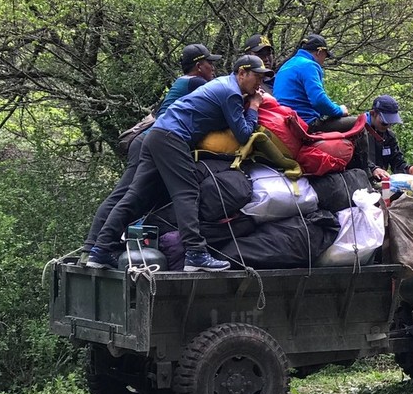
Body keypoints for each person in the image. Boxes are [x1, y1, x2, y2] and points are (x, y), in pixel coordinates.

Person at [87, 55, 273, 272]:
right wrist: (254, 107)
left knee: (135, 197)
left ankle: (100, 249)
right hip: (171, 137)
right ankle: (195, 253)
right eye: (256, 76)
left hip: (156, 134)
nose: (259, 82)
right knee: (187, 193)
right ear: (242, 73)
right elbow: (243, 134)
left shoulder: (221, 84)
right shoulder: (231, 92)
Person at [81, 44, 220, 261]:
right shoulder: (196, 83)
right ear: (199, 66)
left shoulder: (183, 82)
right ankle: (92, 247)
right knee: (125, 194)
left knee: (136, 196)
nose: (213, 67)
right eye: (209, 62)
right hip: (153, 141)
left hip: (151, 140)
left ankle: (99, 248)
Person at [272, 32, 356, 131]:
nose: (324, 60)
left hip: (285, 120)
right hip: (305, 122)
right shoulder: (309, 65)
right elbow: (319, 101)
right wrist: (339, 110)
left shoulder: (287, 65)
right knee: (359, 123)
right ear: (319, 52)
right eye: (325, 56)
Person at [364, 95, 413, 180]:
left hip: (379, 184)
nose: (388, 126)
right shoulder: (356, 131)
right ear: (373, 113)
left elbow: (397, 162)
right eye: (385, 122)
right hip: (357, 182)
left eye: (392, 123)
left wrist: (409, 169)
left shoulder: (389, 136)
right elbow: (355, 160)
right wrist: (373, 169)